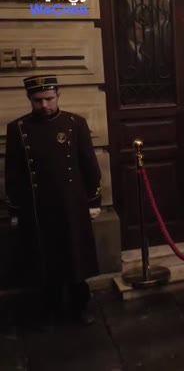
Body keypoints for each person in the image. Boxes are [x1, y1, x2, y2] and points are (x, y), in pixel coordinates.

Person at [5, 75, 102, 326]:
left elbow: (90, 165)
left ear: (58, 95)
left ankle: (80, 305)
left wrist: (93, 201)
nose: (45, 105)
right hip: (37, 206)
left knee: (75, 257)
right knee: (44, 259)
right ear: (29, 98)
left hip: (71, 204)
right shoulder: (17, 128)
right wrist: (14, 209)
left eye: (49, 98)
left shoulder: (75, 123)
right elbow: (13, 172)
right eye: (38, 100)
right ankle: (51, 307)